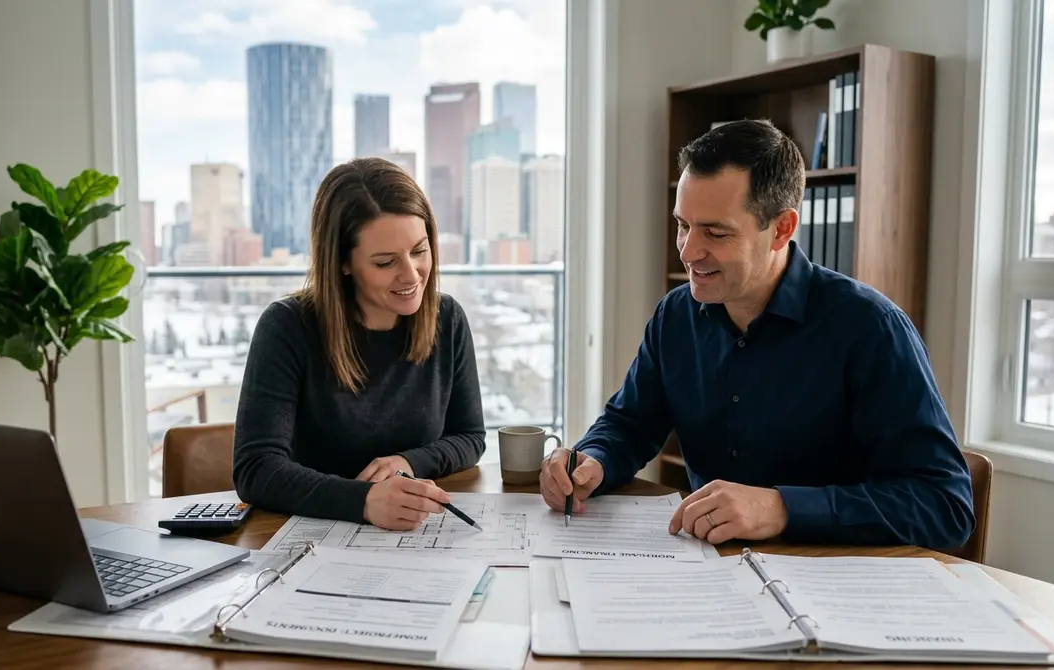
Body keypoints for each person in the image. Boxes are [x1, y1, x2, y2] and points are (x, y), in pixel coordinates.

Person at [539, 119, 974, 549]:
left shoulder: (871, 329)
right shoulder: (676, 316)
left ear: (782, 228)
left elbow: (945, 506)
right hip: (712, 575)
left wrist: (781, 508)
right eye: (683, 225)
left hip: (834, 588)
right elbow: (629, 424)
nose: (689, 252)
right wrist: (592, 459)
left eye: (716, 232)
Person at [232, 157, 486, 531]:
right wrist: (364, 501)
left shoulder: (447, 318)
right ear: (343, 263)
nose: (411, 274)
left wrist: (410, 462)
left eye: (419, 250)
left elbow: (470, 437)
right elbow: (256, 469)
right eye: (385, 262)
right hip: (309, 541)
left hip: (410, 536)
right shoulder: (287, 326)